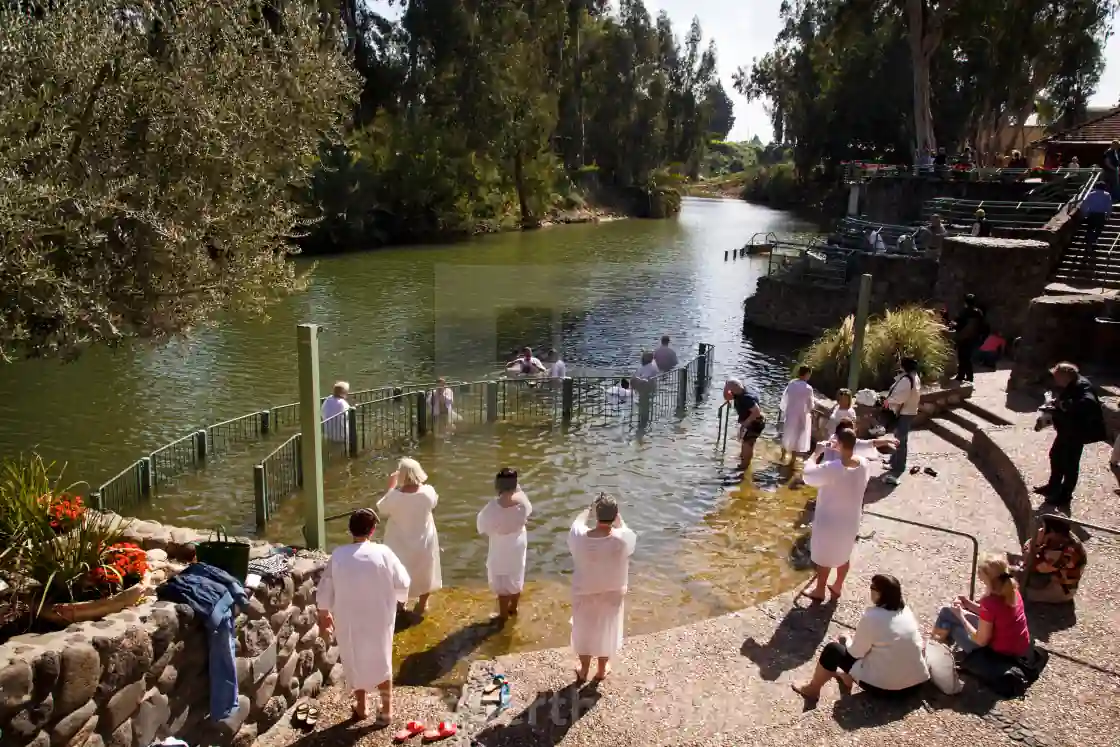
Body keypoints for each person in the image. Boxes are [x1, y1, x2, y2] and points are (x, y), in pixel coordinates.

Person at [316, 509, 410, 724]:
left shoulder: (339, 555)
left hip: (348, 618)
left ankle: (361, 707)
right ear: (373, 530)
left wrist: (324, 612)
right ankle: (386, 710)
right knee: (382, 659)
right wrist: (400, 599)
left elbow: (326, 587)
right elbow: (403, 582)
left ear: (350, 530)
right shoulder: (384, 553)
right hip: (379, 617)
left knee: (353, 658)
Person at [793, 574, 929, 701]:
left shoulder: (873, 617)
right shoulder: (906, 611)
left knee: (833, 649)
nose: (870, 590)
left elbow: (855, 653)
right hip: (916, 685)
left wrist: (847, 641)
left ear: (880, 594)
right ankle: (848, 677)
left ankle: (812, 690)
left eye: (872, 587)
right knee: (877, 649)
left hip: (887, 690)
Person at [567, 493, 637, 682]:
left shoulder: (580, 538)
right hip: (612, 593)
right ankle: (601, 669)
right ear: (615, 515)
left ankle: (584, 669)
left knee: (584, 629)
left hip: (584, 592)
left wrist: (588, 510)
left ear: (596, 515)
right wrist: (617, 518)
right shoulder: (623, 539)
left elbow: (577, 524)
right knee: (607, 628)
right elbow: (625, 529)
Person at [801, 429, 872, 601]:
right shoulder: (864, 463)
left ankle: (819, 590)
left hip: (830, 520)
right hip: (851, 519)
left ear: (839, 444)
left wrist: (816, 453)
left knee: (824, 556)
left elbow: (808, 475)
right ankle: (837, 586)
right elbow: (850, 467)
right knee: (844, 552)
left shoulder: (832, 468)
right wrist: (839, 448)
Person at [1034, 362, 1107, 512]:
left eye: (1057, 377)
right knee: (1056, 455)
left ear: (1064, 376)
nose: (1055, 380)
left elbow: (1088, 403)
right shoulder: (1071, 384)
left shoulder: (1083, 386)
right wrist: (1055, 404)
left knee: (1070, 464)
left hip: (1077, 432)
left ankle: (1065, 496)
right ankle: (1053, 486)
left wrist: (1065, 405)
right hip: (1066, 430)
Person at [377, 458, 442, 615]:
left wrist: (391, 487)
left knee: (399, 570)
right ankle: (422, 604)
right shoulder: (428, 492)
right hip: (424, 538)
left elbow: (382, 509)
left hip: (398, 541)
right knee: (425, 569)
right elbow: (433, 503)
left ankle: (400, 603)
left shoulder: (395, 497)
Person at [932, 555, 1031, 659]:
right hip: (1018, 646)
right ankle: (938, 644)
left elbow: (981, 641)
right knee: (947, 611)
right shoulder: (1012, 591)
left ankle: (936, 650)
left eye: (983, 580)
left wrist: (961, 616)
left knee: (949, 625)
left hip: (998, 655)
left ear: (989, 581)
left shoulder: (990, 603)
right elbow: (991, 615)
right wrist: (967, 603)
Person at [477, 468, 532, 620]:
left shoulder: (492, 507)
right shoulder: (522, 504)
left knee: (502, 578)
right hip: (518, 543)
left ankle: (502, 616)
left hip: (501, 545)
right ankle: (513, 607)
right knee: (516, 573)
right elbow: (527, 513)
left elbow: (481, 526)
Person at [1021, 517, 1087, 604]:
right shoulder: (1059, 538)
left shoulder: (1067, 553)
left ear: (1052, 531)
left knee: (1020, 589)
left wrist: (1036, 543)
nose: (1041, 530)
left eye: (1044, 527)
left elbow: (1032, 565)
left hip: (1061, 590)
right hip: (1052, 574)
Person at [883, 358, 921, 485]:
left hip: (905, 412)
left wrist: (888, 401)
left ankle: (898, 466)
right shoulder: (914, 377)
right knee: (899, 438)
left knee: (900, 440)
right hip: (910, 411)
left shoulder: (907, 380)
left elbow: (900, 397)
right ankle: (893, 461)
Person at [725, 378, 764, 471]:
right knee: (745, 442)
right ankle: (744, 460)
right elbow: (727, 397)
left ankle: (744, 467)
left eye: (730, 389)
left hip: (755, 423)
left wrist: (744, 425)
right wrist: (726, 388)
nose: (730, 391)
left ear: (735, 388)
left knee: (748, 444)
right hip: (752, 423)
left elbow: (757, 412)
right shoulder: (739, 392)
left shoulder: (746, 398)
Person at [779, 365, 815, 462]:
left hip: (790, 413)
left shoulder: (791, 383)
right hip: (801, 415)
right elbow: (810, 405)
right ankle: (793, 460)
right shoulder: (808, 388)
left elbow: (785, 398)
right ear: (807, 374)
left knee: (787, 434)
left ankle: (782, 456)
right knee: (797, 437)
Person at [952, 294, 987, 383]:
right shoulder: (978, 312)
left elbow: (958, 324)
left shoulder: (964, 312)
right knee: (968, 357)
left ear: (965, 302)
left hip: (964, 338)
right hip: (974, 338)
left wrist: (953, 325)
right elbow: (982, 325)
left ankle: (961, 375)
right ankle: (969, 376)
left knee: (962, 357)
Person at [1079, 180, 1113, 249]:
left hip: (1092, 214)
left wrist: (1085, 214)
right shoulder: (1107, 195)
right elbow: (1109, 206)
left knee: (1090, 228)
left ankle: (1089, 241)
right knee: (1099, 229)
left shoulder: (1090, 194)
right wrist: (1108, 215)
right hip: (1101, 215)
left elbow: (1085, 204)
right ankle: (1093, 240)